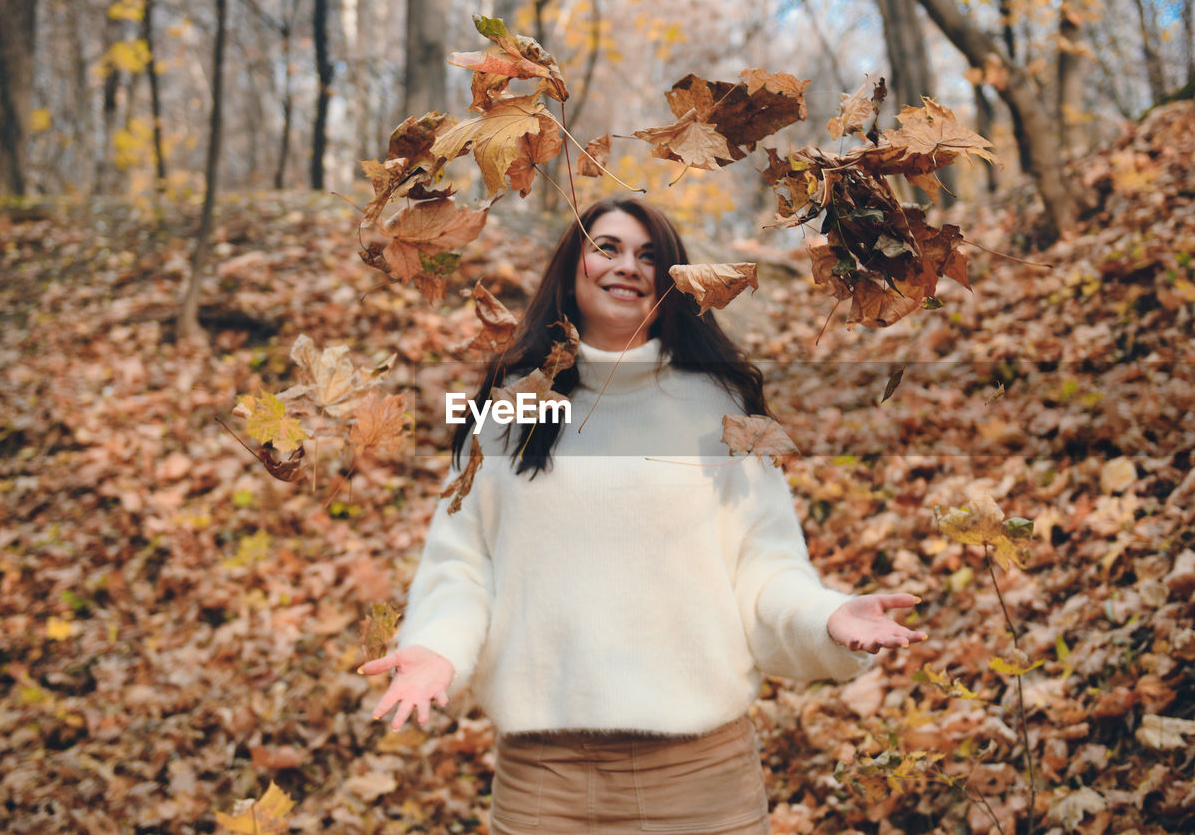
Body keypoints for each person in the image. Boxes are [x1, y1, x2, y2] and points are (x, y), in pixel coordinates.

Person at [358, 197, 926, 834]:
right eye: (607, 247)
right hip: (546, 788)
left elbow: (764, 573)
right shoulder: (514, 408)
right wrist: (436, 647)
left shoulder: (721, 406)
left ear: (672, 280)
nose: (627, 265)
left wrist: (828, 616)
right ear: (572, 265)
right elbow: (462, 569)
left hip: (701, 784)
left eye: (649, 255)